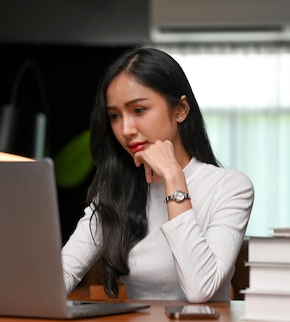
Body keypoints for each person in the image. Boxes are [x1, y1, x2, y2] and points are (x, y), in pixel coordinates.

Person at [61, 47, 254, 303]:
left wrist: (174, 178)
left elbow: (201, 290)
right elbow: (62, 274)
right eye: (115, 116)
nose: (126, 129)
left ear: (180, 110)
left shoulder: (230, 187)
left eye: (138, 110)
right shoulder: (115, 191)